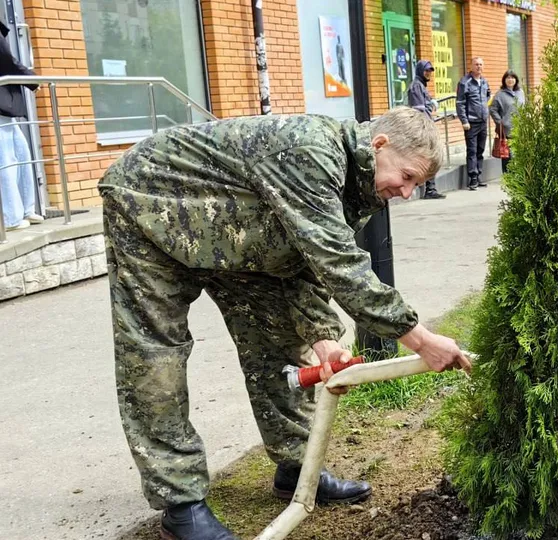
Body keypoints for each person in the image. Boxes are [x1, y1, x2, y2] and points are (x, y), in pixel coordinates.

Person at [98, 106, 473, 540]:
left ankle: (298, 467)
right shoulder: (311, 150)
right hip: (151, 208)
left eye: (415, 185)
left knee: (278, 343)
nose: (406, 192)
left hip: (234, 235)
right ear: (379, 145)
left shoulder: (359, 190)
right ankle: (181, 505)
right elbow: (340, 263)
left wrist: (323, 339)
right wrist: (421, 340)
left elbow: (305, 265)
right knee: (154, 359)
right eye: (407, 177)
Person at [0, 20, 42, 231]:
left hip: (5, 105)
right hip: (2, 104)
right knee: (6, 160)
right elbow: (6, 59)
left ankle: (26, 209)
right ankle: (11, 218)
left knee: (21, 153)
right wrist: (31, 79)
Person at [407, 59, 445, 199]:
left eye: (430, 71)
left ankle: (430, 188)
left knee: (429, 157)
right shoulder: (416, 86)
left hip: (425, 126)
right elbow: (419, 110)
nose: (429, 73)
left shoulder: (421, 85)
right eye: (426, 70)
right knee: (428, 157)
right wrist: (427, 126)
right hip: (422, 128)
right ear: (420, 71)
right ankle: (429, 189)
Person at [456, 57, 490, 191]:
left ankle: (479, 175)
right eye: (476, 64)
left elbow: (488, 95)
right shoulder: (465, 82)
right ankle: (473, 178)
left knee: (480, 150)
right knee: (472, 150)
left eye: (481, 64)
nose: (479, 66)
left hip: (483, 121)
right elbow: (460, 103)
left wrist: (484, 111)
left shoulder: (484, 81)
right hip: (471, 123)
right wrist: (464, 120)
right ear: (471, 66)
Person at [490, 70, 525, 175]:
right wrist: (500, 122)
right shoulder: (500, 94)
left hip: (520, 128)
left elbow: (524, 107)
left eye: (512, 78)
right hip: (507, 130)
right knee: (507, 156)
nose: (510, 80)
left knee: (519, 155)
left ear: (516, 80)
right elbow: (492, 109)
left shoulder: (521, 92)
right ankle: (507, 177)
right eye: (508, 78)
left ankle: (518, 177)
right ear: (504, 80)